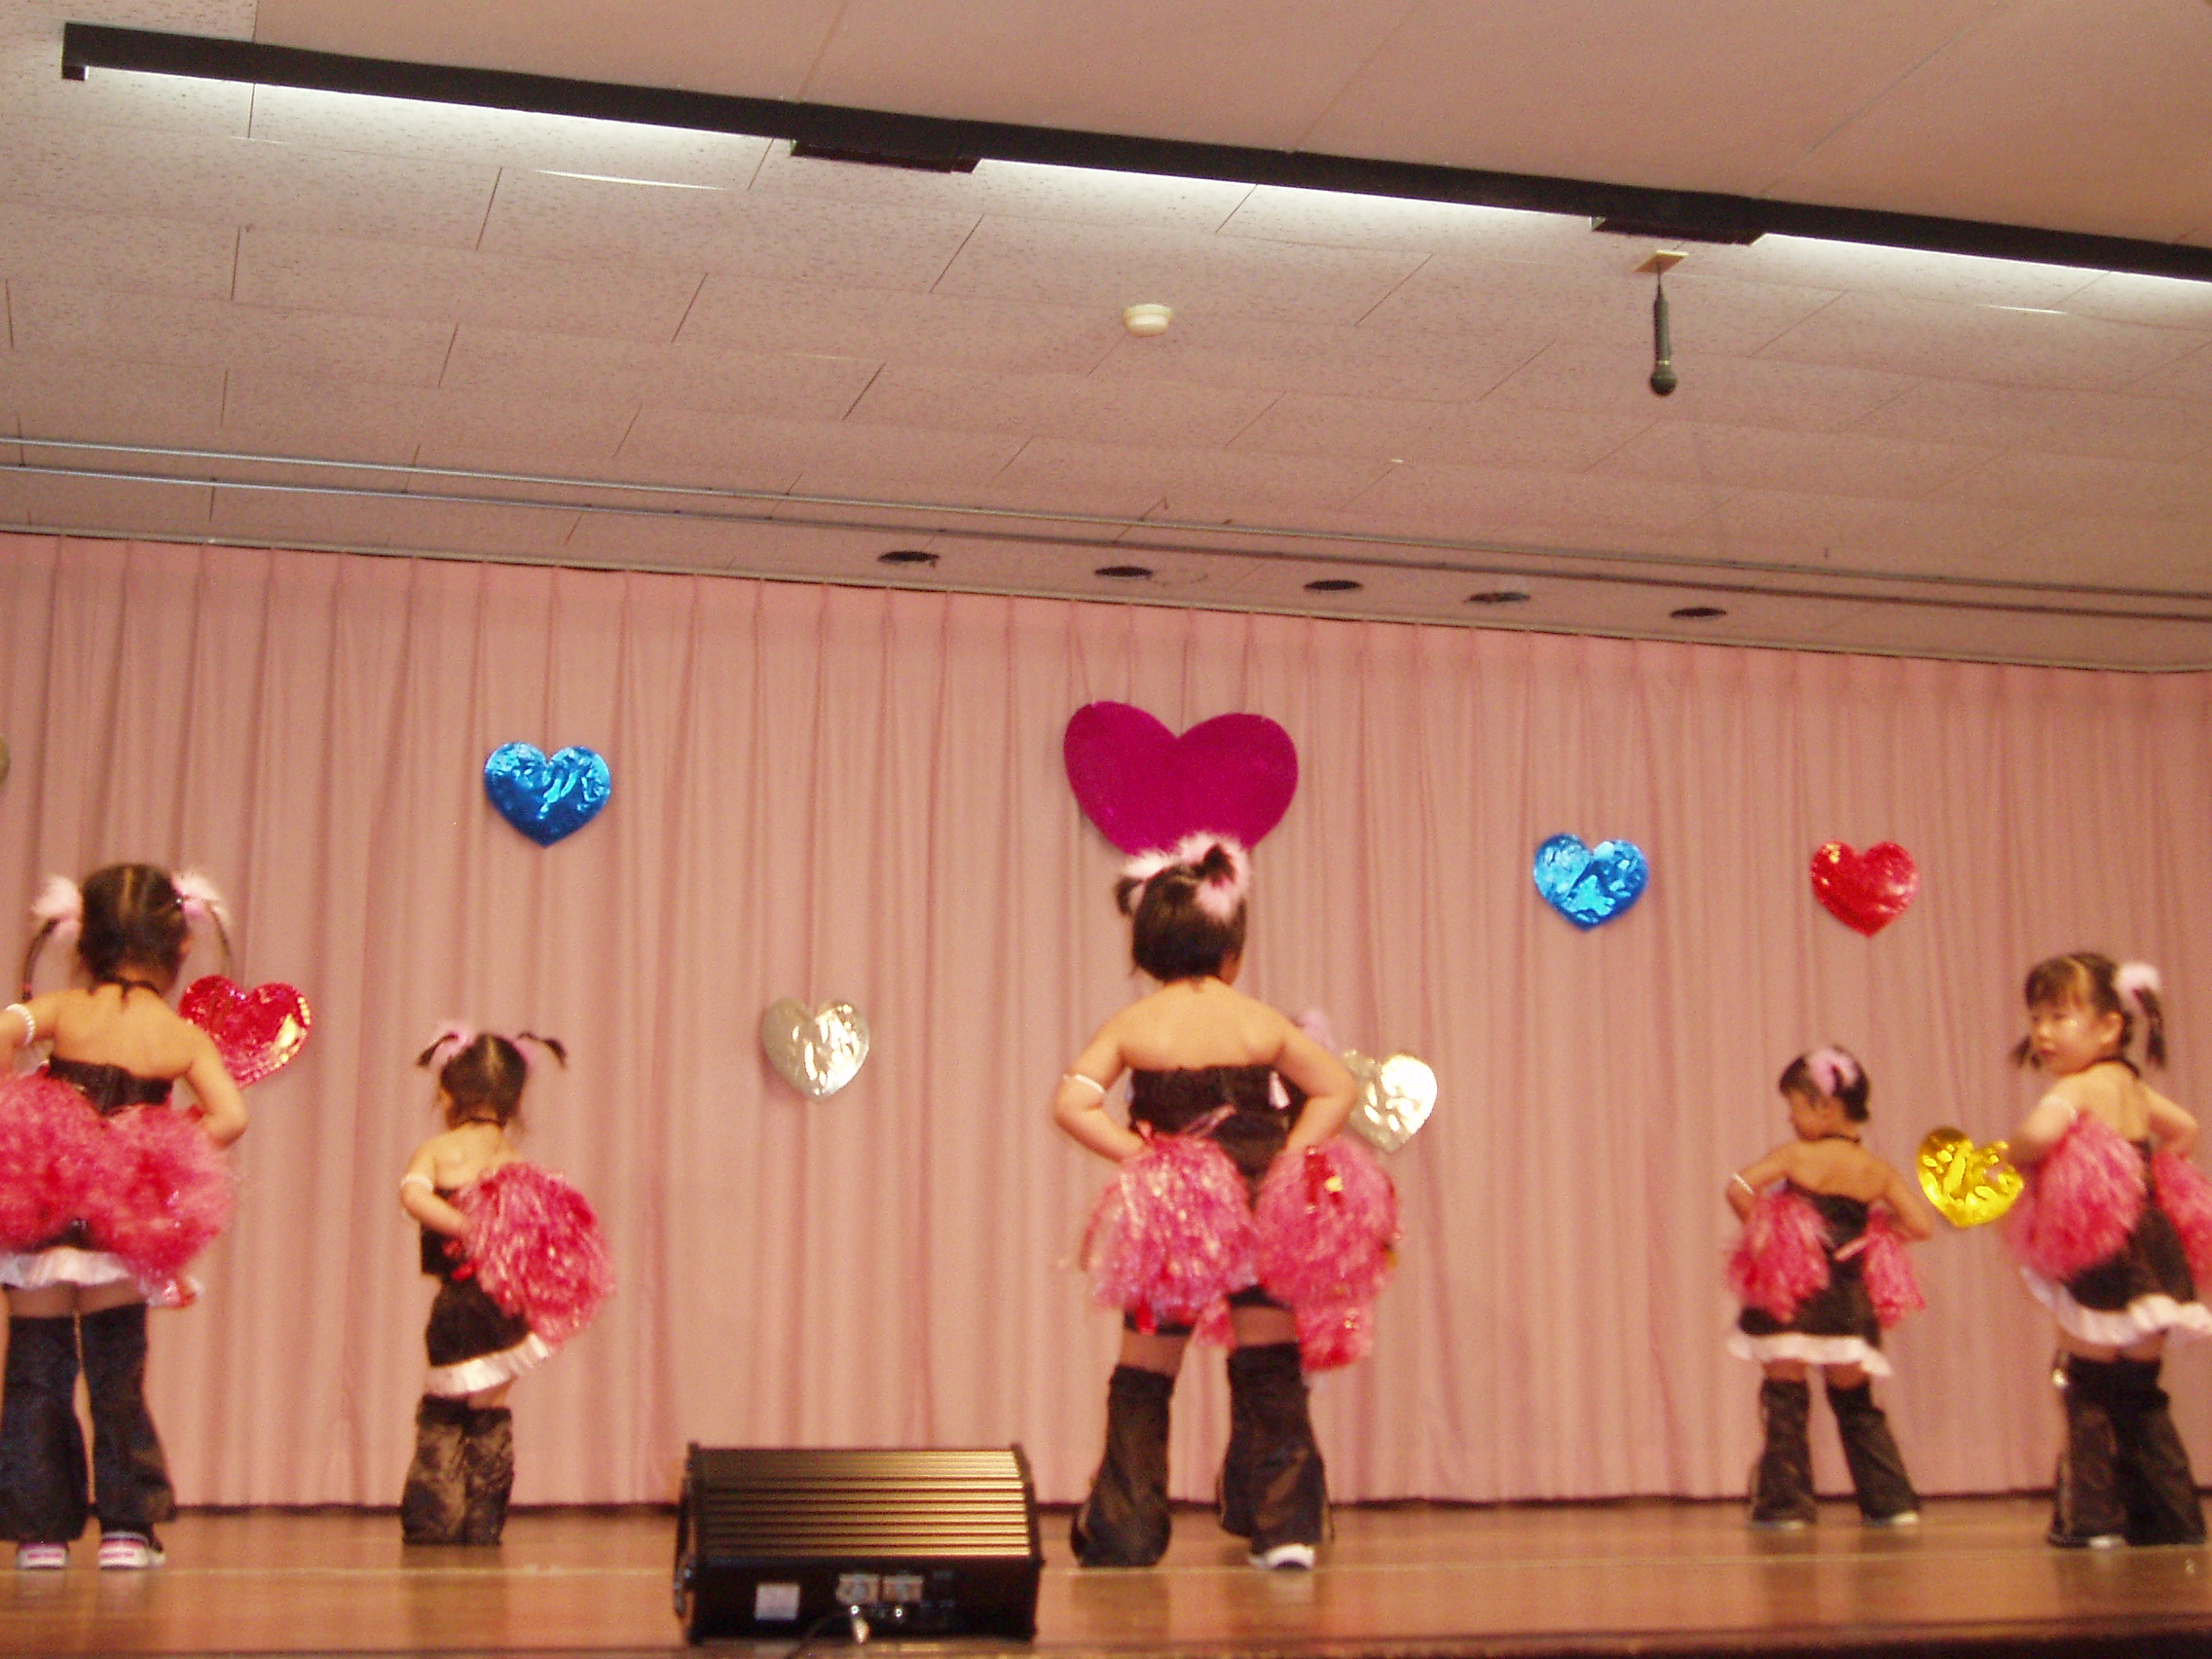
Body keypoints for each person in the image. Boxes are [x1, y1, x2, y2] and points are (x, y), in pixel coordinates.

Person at [1052, 834, 1359, 1571]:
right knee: (1270, 1365)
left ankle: (1126, 1531)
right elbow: (1336, 1088)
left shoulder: (1135, 1024)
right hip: (1258, 1207)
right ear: (1232, 951)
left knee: (1145, 1373)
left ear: (1150, 948)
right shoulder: (1257, 1019)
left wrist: (1141, 1156)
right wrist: (1288, 1158)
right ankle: (1285, 1527)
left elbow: (1073, 1103)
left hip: (1174, 1213)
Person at [0, 865, 246, 1570]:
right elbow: (231, 1116)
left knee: (36, 1372)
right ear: (179, 945)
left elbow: (7, 1029)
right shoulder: (178, 1034)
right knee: (115, 1376)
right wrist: (155, 1150)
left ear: (84, 939)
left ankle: (40, 1533)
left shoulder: (61, 1010)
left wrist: (21, 1111)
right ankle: (125, 1530)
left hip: (43, 1212)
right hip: (121, 1222)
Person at [2003, 954, 2210, 1548]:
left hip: (2104, 1252)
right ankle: (2172, 1520)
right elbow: (2186, 1129)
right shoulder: (2131, 1086)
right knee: (2140, 1391)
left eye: (2060, 1017)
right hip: (2153, 1248)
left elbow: (2038, 1134)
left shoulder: (2077, 1086)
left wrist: (2004, 1157)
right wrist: (2145, 1178)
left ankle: (2093, 1520)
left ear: (2110, 1027)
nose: (2043, 1032)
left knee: (2087, 1384)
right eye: (2036, 1018)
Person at [398, 1025, 609, 1546]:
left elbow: (413, 1196)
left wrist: (464, 1226)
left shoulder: (439, 1151)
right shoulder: (516, 1163)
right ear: (515, 1100)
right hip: (506, 1308)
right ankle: (482, 1520)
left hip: (461, 1306)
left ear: (447, 1092)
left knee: (445, 1410)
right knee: (486, 1409)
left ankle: (435, 1519)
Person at [1726, 1047, 1933, 1530]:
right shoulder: (1877, 1170)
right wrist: (1876, 1233)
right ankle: (1891, 1502)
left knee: (1785, 1399)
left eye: (1795, 1107)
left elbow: (1738, 1187)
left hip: (1793, 1297)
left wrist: (1767, 1233)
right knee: (1856, 1405)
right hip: (1845, 1303)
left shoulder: (1796, 1155)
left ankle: (1785, 1506)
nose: (1791, 1119)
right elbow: (1920, 1225)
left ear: (1825, 1108)